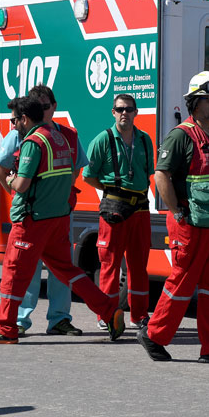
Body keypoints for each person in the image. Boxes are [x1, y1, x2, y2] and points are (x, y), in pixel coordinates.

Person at [0, 97, 125, 344]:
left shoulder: (33, 142)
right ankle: (109, 311)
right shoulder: (61, 139)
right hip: (58, 218)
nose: (13, 126)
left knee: (14, 274)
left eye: (14, 120)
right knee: (68, 271)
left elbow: (21, 185)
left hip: (32, 221)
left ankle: (6, 329)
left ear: (25, 118)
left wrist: (11, 179)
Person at [137, 71, 209, 364]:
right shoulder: (181, 136)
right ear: (195, 102)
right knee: (182, 283)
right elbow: (162, 176)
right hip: (193, 225)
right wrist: (177, 211)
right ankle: (153, 335)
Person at [0, 84, 87, 337]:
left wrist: (57, 194)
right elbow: (1, 171)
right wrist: (17, 195)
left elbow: (75, 170)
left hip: (59, 213)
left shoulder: (68, 135)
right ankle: (21, 319)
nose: (44, 111)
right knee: (27, 269)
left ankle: (59, 319)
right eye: (40, 107)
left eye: (47, 106)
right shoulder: (20, 134)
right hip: (32, 215)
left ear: (54, 107)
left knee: (61, 269)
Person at [83, 93, 153, 329]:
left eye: (129, 109)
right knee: (110, 265)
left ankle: (139, 315)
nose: (125, 113)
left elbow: (148, 173)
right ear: (113, 112)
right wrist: (111, 189)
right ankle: (107, 315)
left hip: (141, 207)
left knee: (139, 265)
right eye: (120, 109)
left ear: (136, 112)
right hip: (114, 207)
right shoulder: (102, 140)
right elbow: (88, 176)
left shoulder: (144, 140)